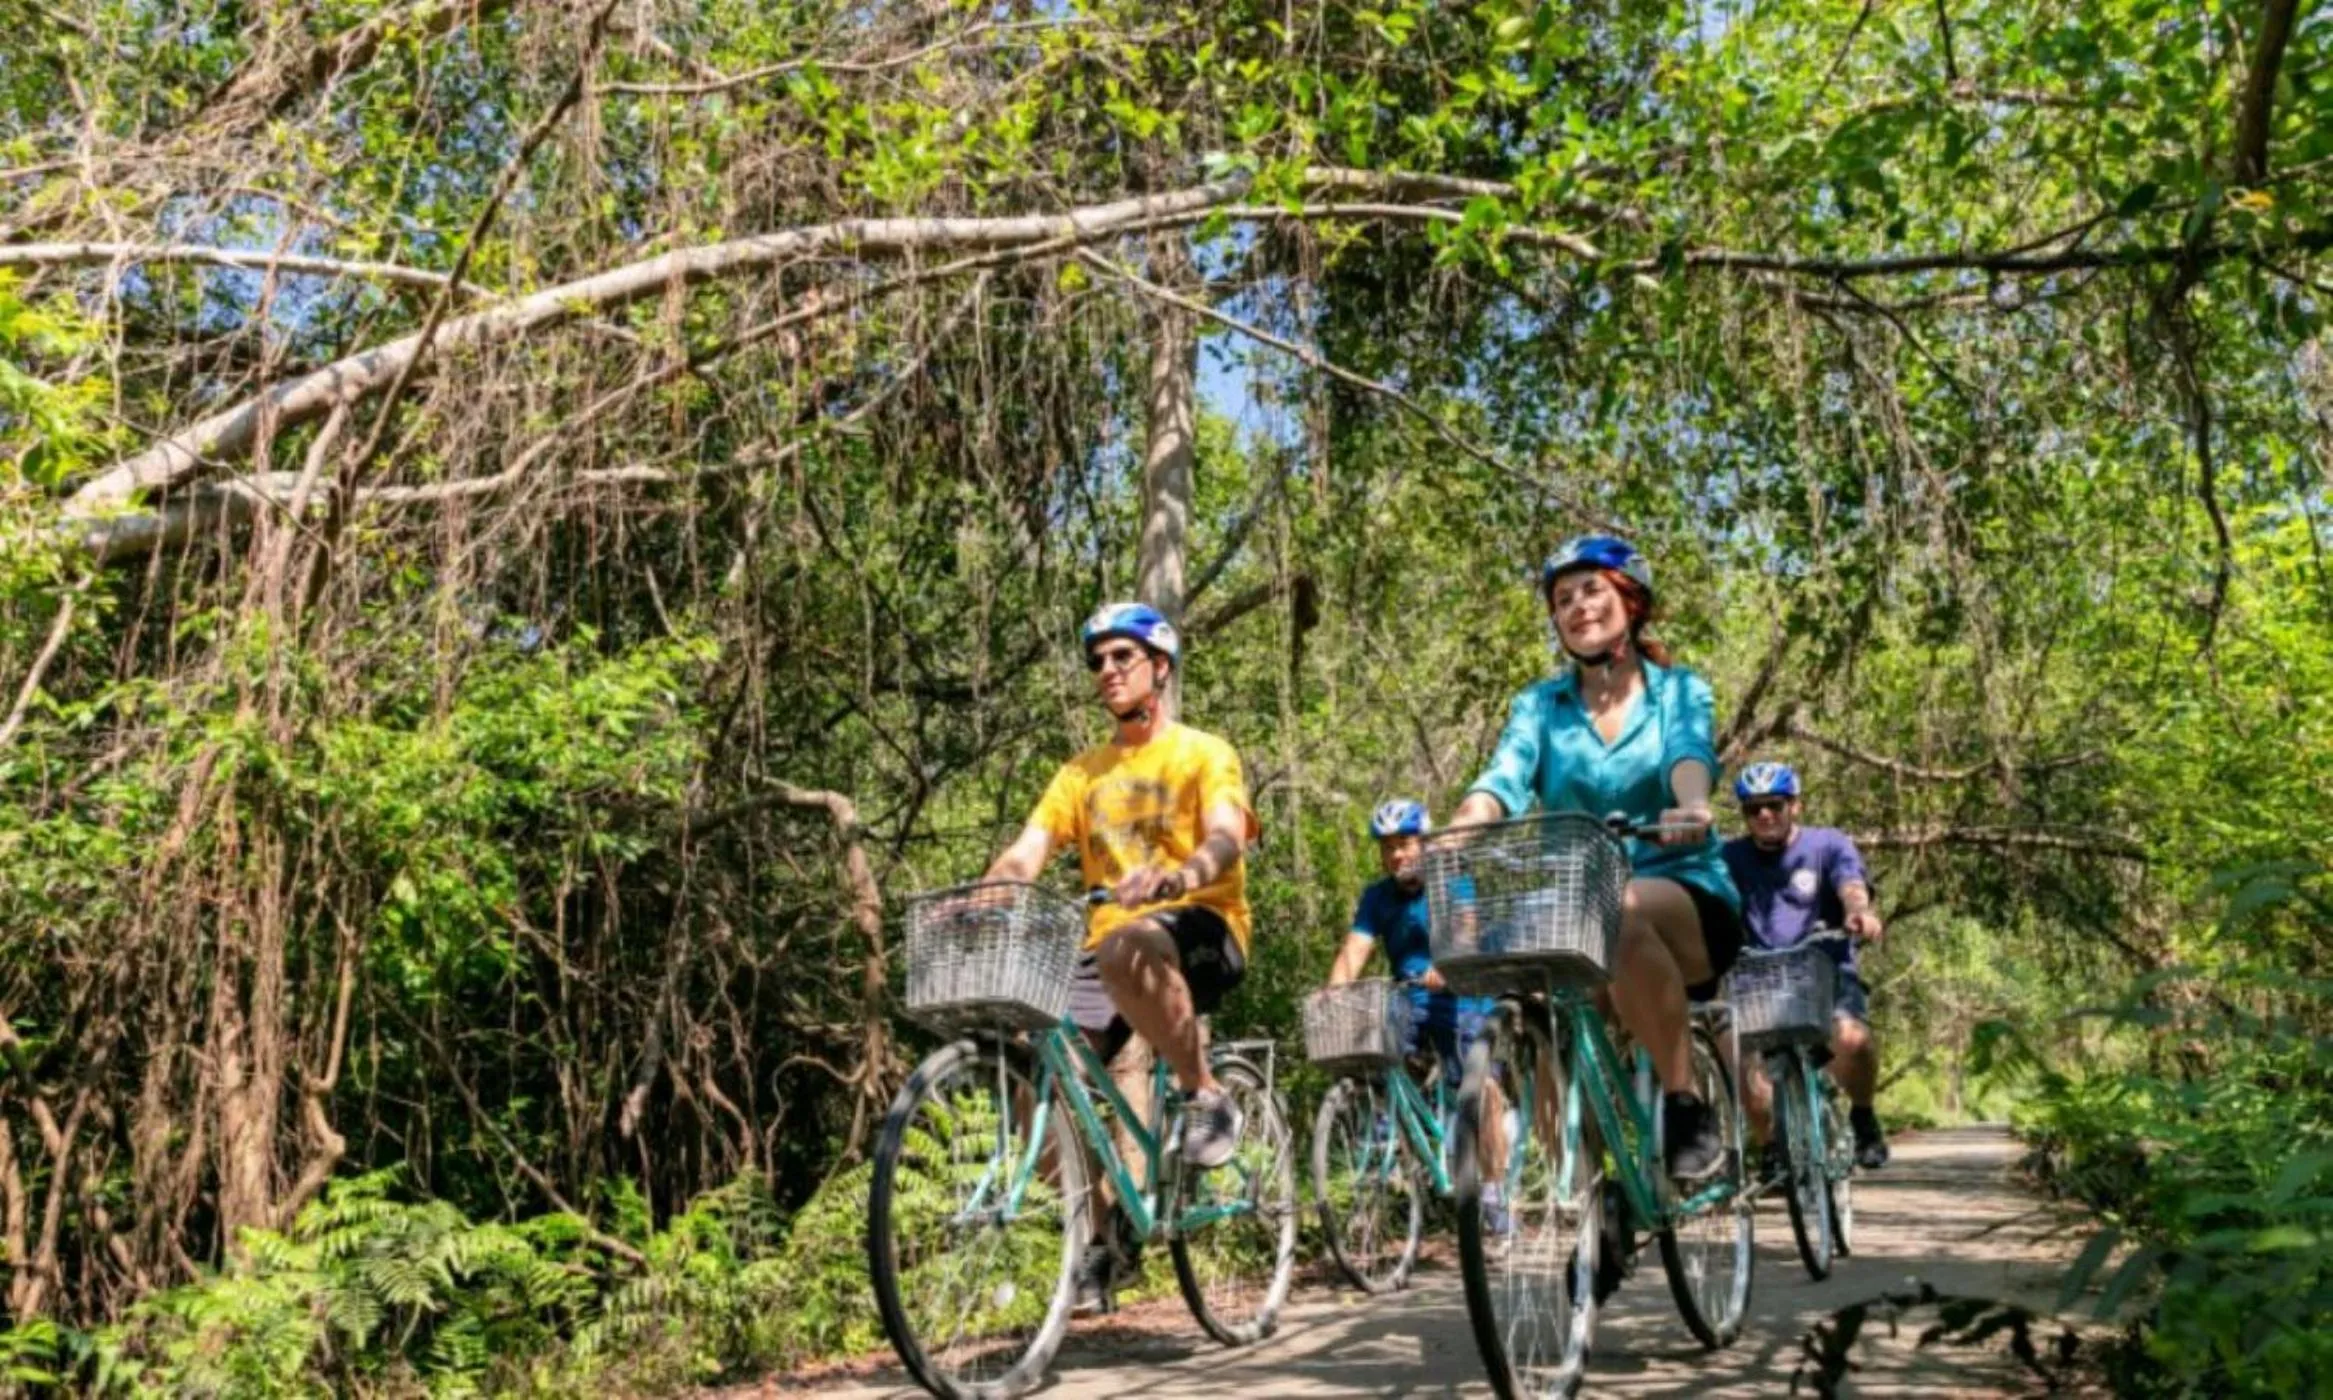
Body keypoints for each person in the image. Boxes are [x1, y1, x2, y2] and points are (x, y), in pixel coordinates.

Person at [975, 601, 1261, 1310]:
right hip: (1108, 954)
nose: (1106, 670)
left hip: (1202, 925)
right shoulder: (1080, 773)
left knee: (1131, 940)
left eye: (1121, 656)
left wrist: (1182, 874)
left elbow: (1226, 834)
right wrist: (989, 889)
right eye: (1097, 660)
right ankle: (1104, 1241)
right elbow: (1029, 849)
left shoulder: (1203, 751)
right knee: (1032, 1075)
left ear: (1158, 668)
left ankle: (1206, 1094)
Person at [1446, 535, 1748, 1183]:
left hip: (1680, 891)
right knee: (1533, 1008)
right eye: (1562, 598)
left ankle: (1682, 1101)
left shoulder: (1677, 691)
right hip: (1576, 907)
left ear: (1629, 601)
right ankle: (1582, 1193)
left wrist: (1690, 808)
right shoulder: (1538, 706)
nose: (1577, 606)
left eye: (1592, 590)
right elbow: (1502, 778)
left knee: (1624, 906)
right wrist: (1458, 828)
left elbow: (1686, 756)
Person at [1326, 799, 1506, 1230]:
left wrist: (1447, 963)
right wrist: (1333, 995)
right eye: (1388, 847)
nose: (1397, 855)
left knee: (1480, 1089)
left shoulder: (1453, 881)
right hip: (1410, 999)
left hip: (1461, 995)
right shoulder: (1378, 897)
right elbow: (1355, 951)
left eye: (1405, 843)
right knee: (1376, 1051)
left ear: (1425, 844)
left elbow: (1465, 929)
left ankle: (1495, 1191)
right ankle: (1385, 1148)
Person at [1722, 761, 1890, 1170]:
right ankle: (1771, 1147)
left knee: (1852, 1041)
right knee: (1740, 1060)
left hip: (1823, 969)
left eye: (1774, 805)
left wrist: (1859, 913)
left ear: (1795, 805)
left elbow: (1850, 884)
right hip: (1757, 978)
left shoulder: (1827, 844)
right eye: (1753, 808)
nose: (1764, 815)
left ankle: (1864, 1115)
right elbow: (1706, 899)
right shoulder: (1728, 856)